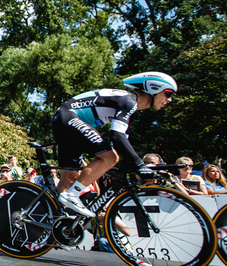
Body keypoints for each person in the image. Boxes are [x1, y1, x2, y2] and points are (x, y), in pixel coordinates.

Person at [51, 71, 177, 217]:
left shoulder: (129, 103)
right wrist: (139, 165)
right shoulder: (129, 101)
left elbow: (122, 140)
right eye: (168, 93)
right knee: (110, 157)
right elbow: (117, 136)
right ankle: (73, 195)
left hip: (64, 120)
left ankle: (51, 219)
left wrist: (135, 163)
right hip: (68, 118)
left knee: (68, 179)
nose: (169, 100)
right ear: (153, 88)